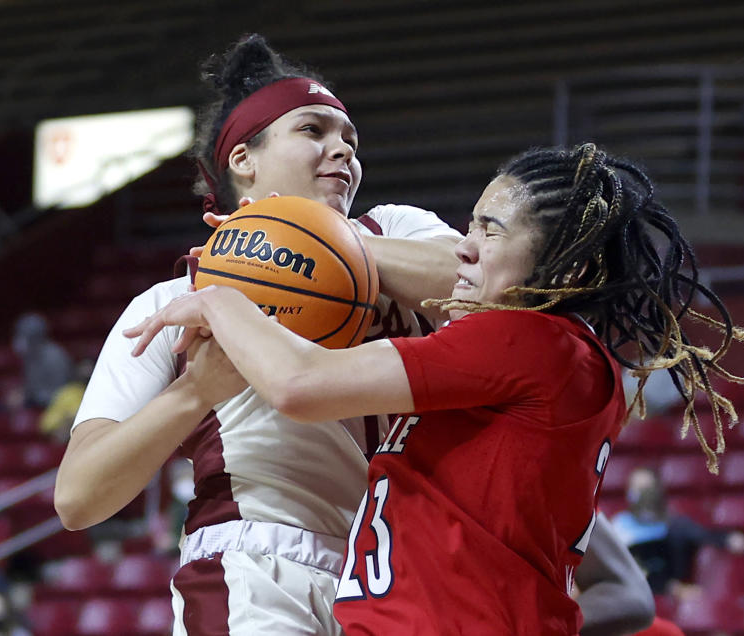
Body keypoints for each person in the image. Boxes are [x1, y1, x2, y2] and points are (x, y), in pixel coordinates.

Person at [126, 142, 744, 633]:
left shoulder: (530, 341)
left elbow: (298, 384)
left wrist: (224, 295)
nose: (465, 248)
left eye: (491, 230)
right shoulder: (556, 357)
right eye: (470, 226)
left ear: (570, 266)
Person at [54, 34, 461, 635]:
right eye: (313, 131)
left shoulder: (397, 230)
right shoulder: (176, 300)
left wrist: (329, 248)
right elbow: (78, 497)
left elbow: (493, 287)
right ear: (244, 159)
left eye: (350, 140)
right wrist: (196, 391)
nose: (342, 151)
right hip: (257, 565)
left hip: (398, 571)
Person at [612, 466, 744, 598]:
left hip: (669, 586)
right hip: (634, 589)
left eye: (645, 488)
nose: (640, 493)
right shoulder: (619, 524)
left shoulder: (675, 525)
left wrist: (728, 539)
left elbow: (703, 535)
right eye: (636, 487)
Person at [9, 313, 72, 409]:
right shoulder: (29, 356)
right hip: (36, 402)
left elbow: (59, 394)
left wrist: (27, 399)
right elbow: (31, 387)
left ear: (35, 337)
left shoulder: (54, 357)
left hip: (53, 406)